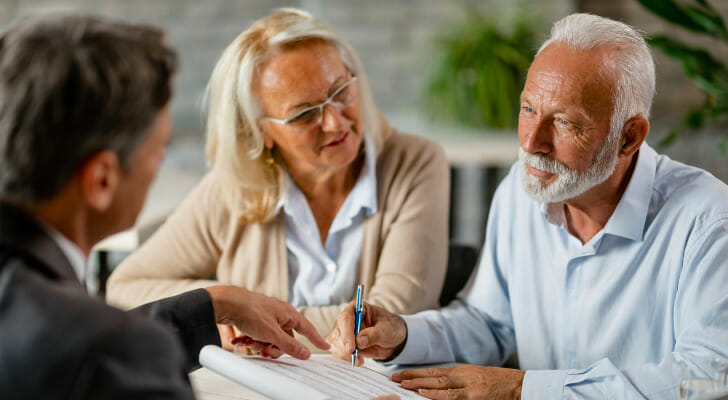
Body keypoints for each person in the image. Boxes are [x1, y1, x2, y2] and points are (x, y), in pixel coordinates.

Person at [327, 13, 728, 399]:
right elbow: (488, 323)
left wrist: (523, 390)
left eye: (565, 123)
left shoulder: (709, 220)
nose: (532, 142)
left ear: (629, 137)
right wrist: (403, 334)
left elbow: (709, 375)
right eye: (528, 109)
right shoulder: (521, 194)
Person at [0, 14, 330, 399]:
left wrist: (214, 304)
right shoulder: (119, 353)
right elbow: (97, 349)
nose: (160, 164)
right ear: (102, 179)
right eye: (158, 150)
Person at [106, 8, 449, 351]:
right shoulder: (234, 187)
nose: (335, 122)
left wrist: (256, 321)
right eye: (304, 113)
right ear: (261, 131)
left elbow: (394, 318)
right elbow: (125, 288)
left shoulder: (416, 162)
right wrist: (223, 304)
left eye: (341, 91)